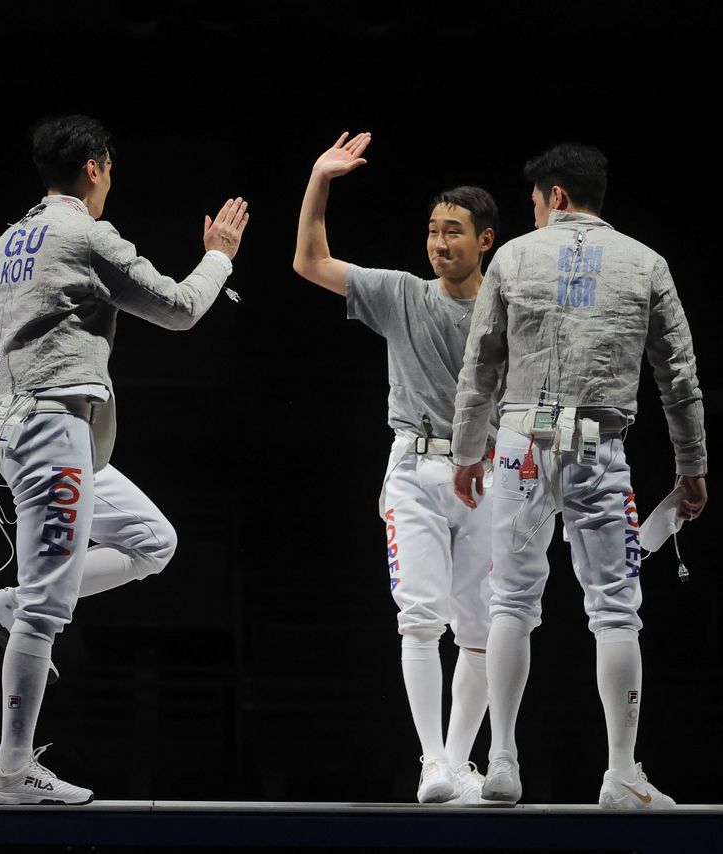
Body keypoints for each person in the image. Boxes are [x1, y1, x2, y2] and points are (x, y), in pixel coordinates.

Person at [0, 115, 249, 805]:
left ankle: (15, 604)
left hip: (46, 436)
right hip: (51, 435)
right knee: (47, 614)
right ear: (94, 167)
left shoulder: (3, 245)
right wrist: (220, 255)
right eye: (109, 168)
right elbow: (178, 309)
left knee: (151, 540)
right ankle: (11, 772)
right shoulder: (84, 234)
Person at [450, 143, 707, 809]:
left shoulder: (511, 257)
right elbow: (679, 379)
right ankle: (620, 771)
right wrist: (691, 468)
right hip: (601, 450)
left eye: (535, 202)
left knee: (511, 600)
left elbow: (480, 365)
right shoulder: (645, 262)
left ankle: (502, 761)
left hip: (519, 449)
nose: (533, 214)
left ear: (555, 196)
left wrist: (465, 452)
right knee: (615, 610)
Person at [292, 132, 500, 804]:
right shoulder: (402, 294)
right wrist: (320, 180)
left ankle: (463, 764)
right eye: (433, 231)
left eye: (454, 232)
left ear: (486, 241)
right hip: (413, 472)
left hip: (489, 479)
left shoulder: (509, 311)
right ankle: (433, 762)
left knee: (479, 628)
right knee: (419, 619)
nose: (439, 243)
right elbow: (310, 260)